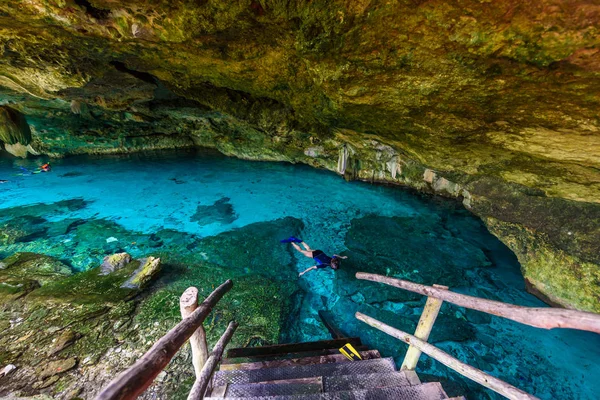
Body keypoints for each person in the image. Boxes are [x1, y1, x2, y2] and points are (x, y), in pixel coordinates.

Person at [283, 238, 347, 277]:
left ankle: (301, 241)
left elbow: (334, 254)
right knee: (301, 251)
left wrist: (342, 257)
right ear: (331, 267)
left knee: (308, 249)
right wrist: (303, 272)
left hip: (319, 252)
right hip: (314, 255)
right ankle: (292, 242)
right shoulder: (324, 265)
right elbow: (312, 267)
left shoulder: (333, 259)